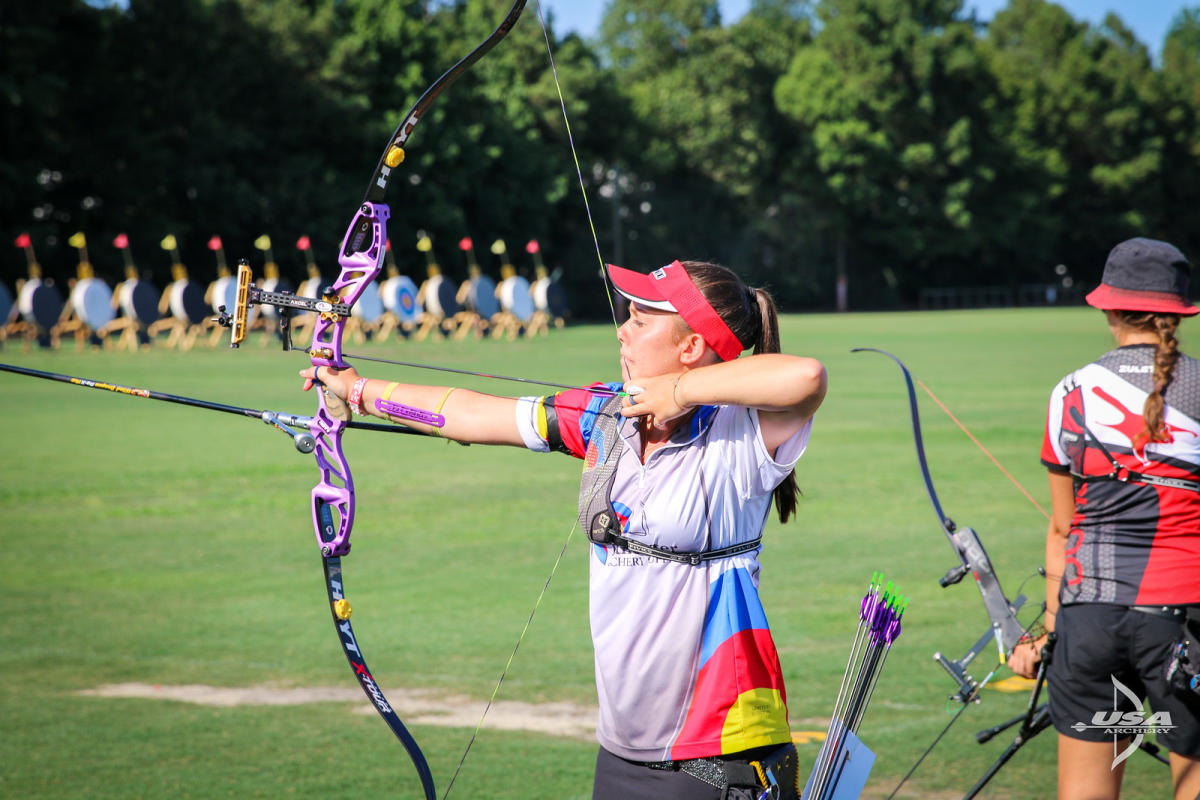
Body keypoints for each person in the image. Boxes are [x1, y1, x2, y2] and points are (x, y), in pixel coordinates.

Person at [302, 259, 826, 799]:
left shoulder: (741, 435)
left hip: (720, 748)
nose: (622, 329)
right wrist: (357, 389)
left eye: (642, 320)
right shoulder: (605, 415)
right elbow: (469, 416)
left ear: (690, 348)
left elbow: (806, 377)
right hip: (624, 746)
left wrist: (680, 393)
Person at [1008, 238, 1200, 800]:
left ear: (1109, 309)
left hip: (1090, 625)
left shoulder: (1071, 391)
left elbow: (1063, 528)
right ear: (1178, 311)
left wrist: (1047, 630)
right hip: (1183, 624)